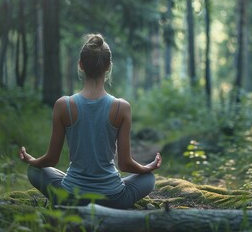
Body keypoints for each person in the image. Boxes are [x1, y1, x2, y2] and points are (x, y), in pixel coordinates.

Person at [19, 33, 162, 209]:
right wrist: (148, 167)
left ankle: (64, 201)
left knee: (34, 170)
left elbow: (51, 160)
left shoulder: (64, 105)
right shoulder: (121, 107)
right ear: (108, 66)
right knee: (149, 179)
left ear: (80, 65)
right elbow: (125, 164)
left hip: (71, 196)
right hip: (113, 198)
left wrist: (31, 160)